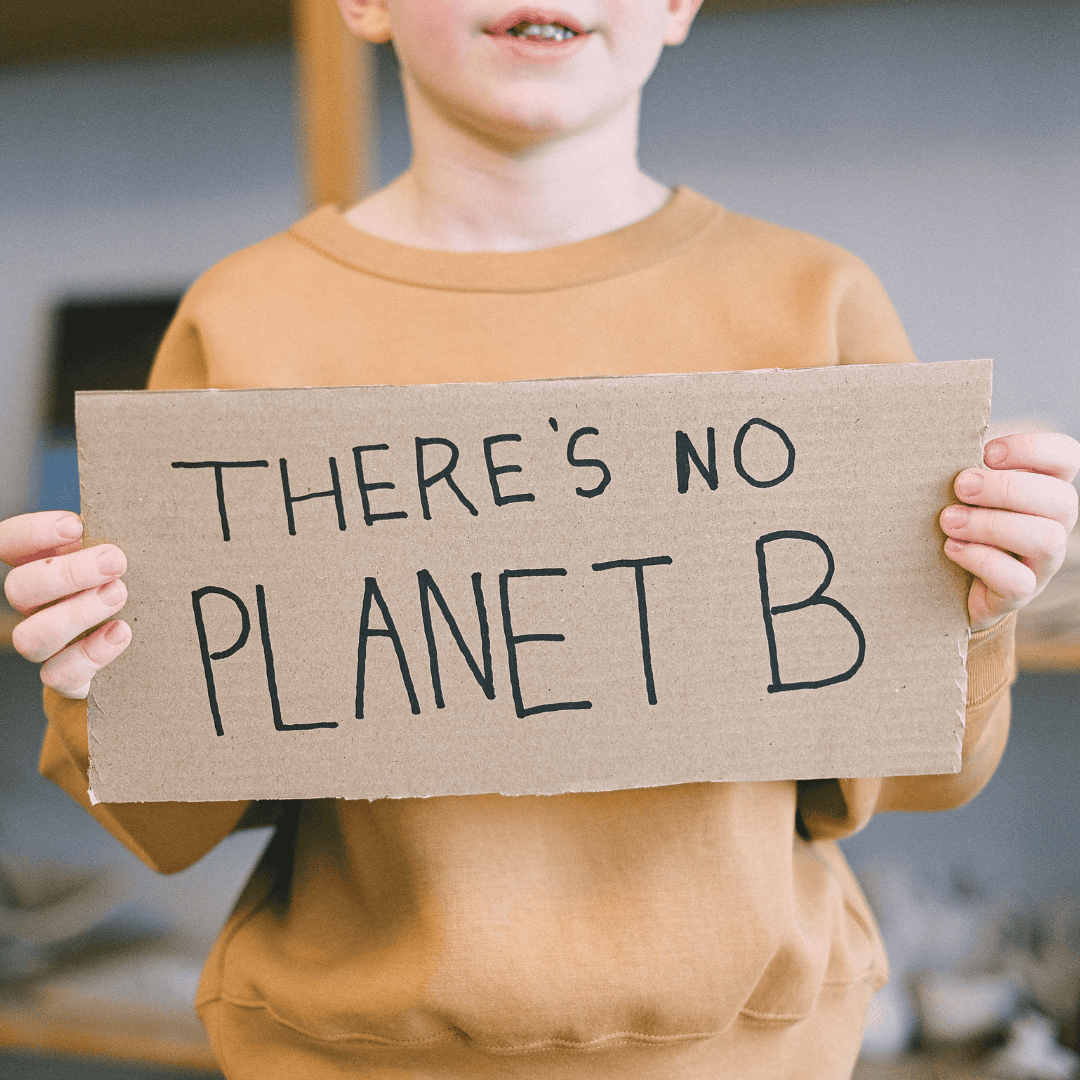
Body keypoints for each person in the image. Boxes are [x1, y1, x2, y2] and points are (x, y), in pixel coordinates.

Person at [2, 1, 1078, 1076]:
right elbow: (173, 819)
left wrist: (977, 606)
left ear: (676, 5)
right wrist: (98, 670)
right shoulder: (245, 319)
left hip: (753, 1052)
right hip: (347, 1055)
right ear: (365, 5)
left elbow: (921, 770)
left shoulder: (818, 303)